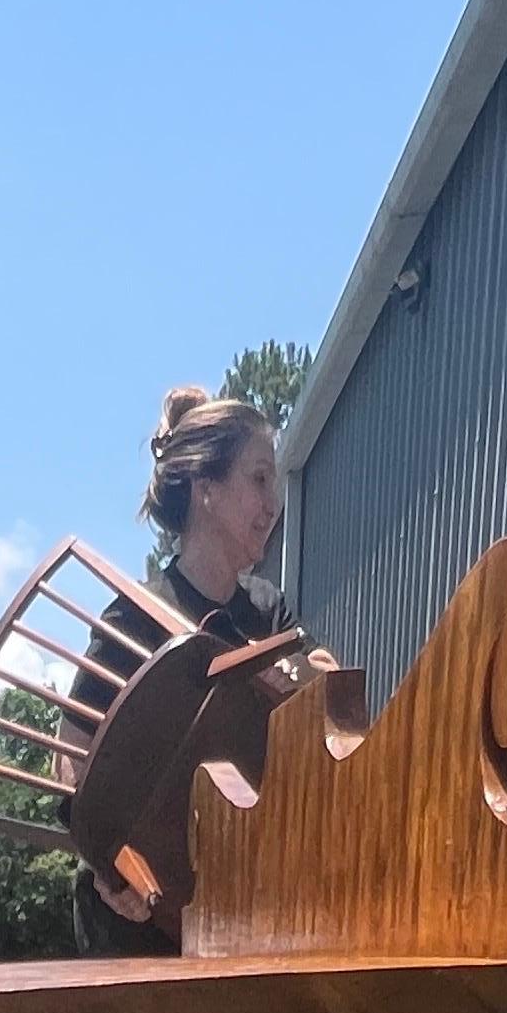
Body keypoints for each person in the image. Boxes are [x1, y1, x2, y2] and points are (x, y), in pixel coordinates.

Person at [71, 386, 305, 951]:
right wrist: (109, 865)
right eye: (257, 479)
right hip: (134, 925)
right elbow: (71, 751)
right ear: (206, 490)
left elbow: (318, 704)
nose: (273, 502)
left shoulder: (269, 613)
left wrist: (311, 680)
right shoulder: (133, 617)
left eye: (273, 482)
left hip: (239, 914)